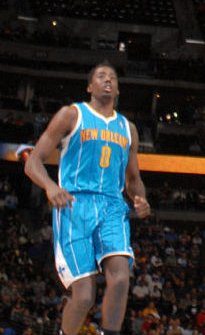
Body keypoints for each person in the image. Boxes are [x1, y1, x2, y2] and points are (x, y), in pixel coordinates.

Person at [23, 62, 150, 335]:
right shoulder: (71, 114)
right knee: (83, 296)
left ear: (117, 88)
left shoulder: (128, 128)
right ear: (90, 86)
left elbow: (133, 179)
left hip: (112, 205)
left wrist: (140, 200)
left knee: (120, 277)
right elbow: (33, 162)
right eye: (101, 77)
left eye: (113, 78)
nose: (108, 80)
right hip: (74, 204)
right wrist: (49, 186)